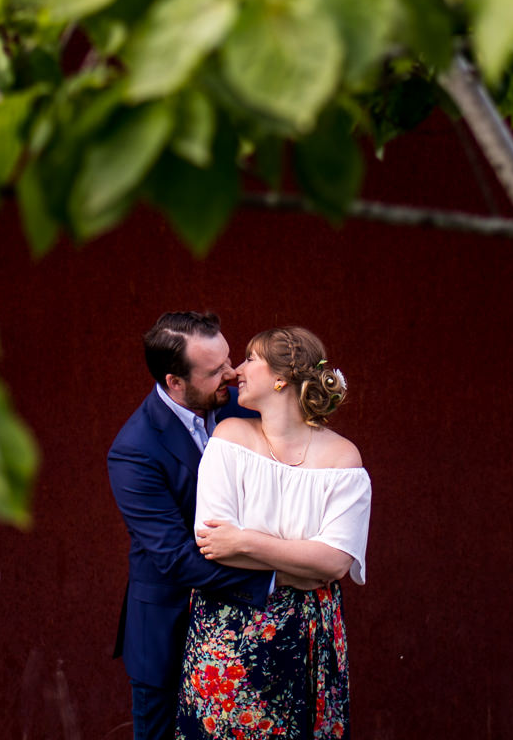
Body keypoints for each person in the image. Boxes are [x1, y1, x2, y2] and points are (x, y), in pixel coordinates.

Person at [108, 311, 307, 740]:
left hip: (239, 631)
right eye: (215, 370)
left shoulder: (242, 405)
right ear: (174, 382)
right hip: (168, 630)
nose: (232, 373)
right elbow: (176, 559)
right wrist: (275, 575)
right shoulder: (133, 451)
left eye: (230, 359)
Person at [177, 326, 370, 740]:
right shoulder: (229, 439)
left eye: (251, 359)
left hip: (309, 640)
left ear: (281, 377)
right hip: (230, 634)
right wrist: (302, 566)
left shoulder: (343, 458)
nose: (238, 370)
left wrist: (245, 541)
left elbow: (335, 561)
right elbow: (213, 543)